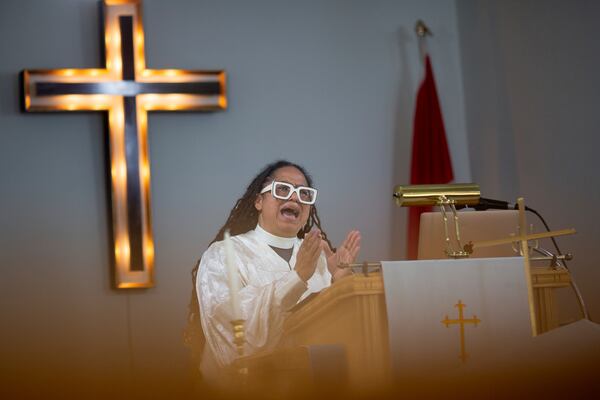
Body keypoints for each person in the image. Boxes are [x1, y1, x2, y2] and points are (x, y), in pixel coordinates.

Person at [185, 160, 361, 384]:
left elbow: (336, 334)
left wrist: (339, 282)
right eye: (283, 189)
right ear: (259, 201)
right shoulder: (223, 255)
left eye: (304, 194)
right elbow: (233, 336)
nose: (295, 198)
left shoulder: (318, 257)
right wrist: (296, 278)